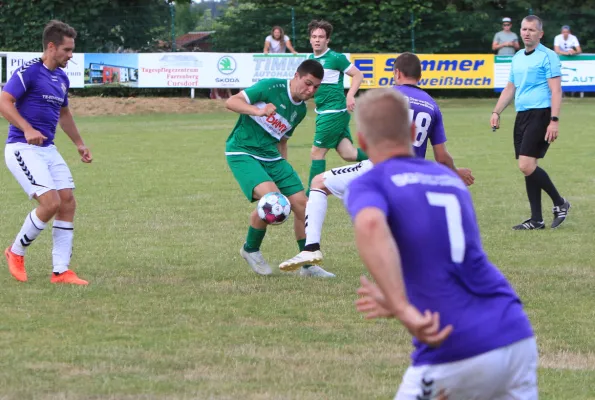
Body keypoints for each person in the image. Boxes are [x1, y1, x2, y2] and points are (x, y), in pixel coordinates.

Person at [346, 88, 537, 399]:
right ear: (411, 132)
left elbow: (369, 224)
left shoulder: (372, 181)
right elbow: (441, 255)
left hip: (453, 342)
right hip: (515, 332)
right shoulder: (448, 179)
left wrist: (400, 306)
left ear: (362, 141)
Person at [279, 52, 474, 275]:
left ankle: (311, 248)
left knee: (319, 182)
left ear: (397, 73)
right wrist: (455, 171)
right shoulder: (432, 106)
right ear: (419, 76)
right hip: (410, 177)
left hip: (381, 168)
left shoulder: (387, 97)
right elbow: (441, 156)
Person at [1, 20, 92, 285]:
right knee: (50, 203)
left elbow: (64, 114)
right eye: (67, 49)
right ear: (51, 47)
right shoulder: (28, 71)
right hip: (22, 147)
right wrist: (27, 128)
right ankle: (15, 252)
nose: (70, 55)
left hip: (48, 149)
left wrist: (79, 143)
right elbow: (3, 101)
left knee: (67, 202)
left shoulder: (62, 78)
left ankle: (61, 271)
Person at [225, 59, 330, 277]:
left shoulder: (300, 111)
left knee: (304, 206)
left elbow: (281, 140)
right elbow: (231, 102)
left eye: (316, 87)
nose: (310, 90)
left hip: (272, 157)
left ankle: (308, 263)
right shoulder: (270, 86)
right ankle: (250, 249)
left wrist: (284, 168)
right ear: (296, 76)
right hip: (242, 151)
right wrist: (257, 111)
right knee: (272, 200)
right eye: (308, 83)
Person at [491, 15, 570, 230]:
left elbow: (556, 90)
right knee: (529, 167)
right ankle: (537, 220)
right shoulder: (517, 57)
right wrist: (496, 111)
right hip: (522, 114)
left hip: (541, 114)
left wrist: (554, 120)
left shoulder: (549, 56)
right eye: (524, 29)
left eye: (532, 30)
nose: (527, 33)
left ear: (540, 34)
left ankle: (560, 202)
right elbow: (510, 88)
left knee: (525, 165)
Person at [305, 19, 366, 195]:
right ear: (310, 39)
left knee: (316, 153)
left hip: (333, 113)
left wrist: (350, 95)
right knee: (349, 154)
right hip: (325, 112)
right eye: (314, 36)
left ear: (327, 40)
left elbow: (358, 75)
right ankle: (386, 157)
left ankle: (312, 195)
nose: (317, 40)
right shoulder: (310, 60)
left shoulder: (335, 58)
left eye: (321, 37)